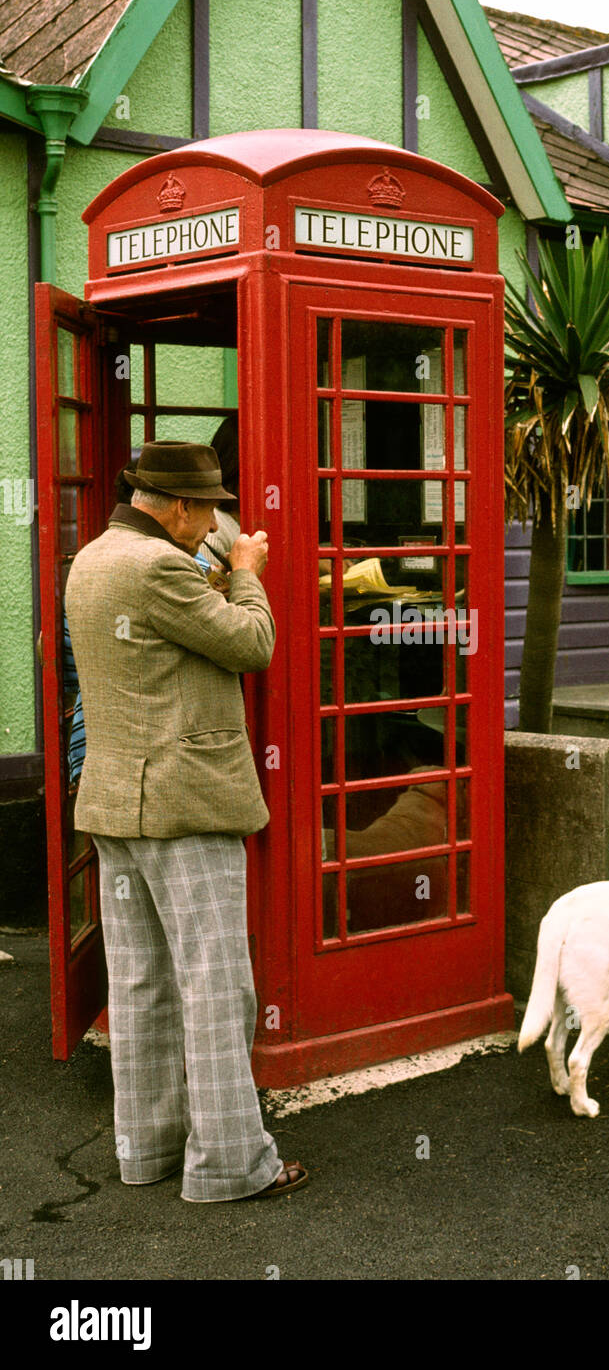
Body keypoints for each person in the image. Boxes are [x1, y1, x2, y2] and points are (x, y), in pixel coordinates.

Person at [64, 440, 307, 1202]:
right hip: (184, 800)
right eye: (207, 510)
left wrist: (215, 566)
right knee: (214, 983)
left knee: (139, 983)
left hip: (113, 800)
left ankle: (147, 1151)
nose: (214, 523)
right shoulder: (160, 565)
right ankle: (230, 1164)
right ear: (177, 508)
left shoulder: (94, 558)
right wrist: (244, 573)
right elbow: (251, 643)